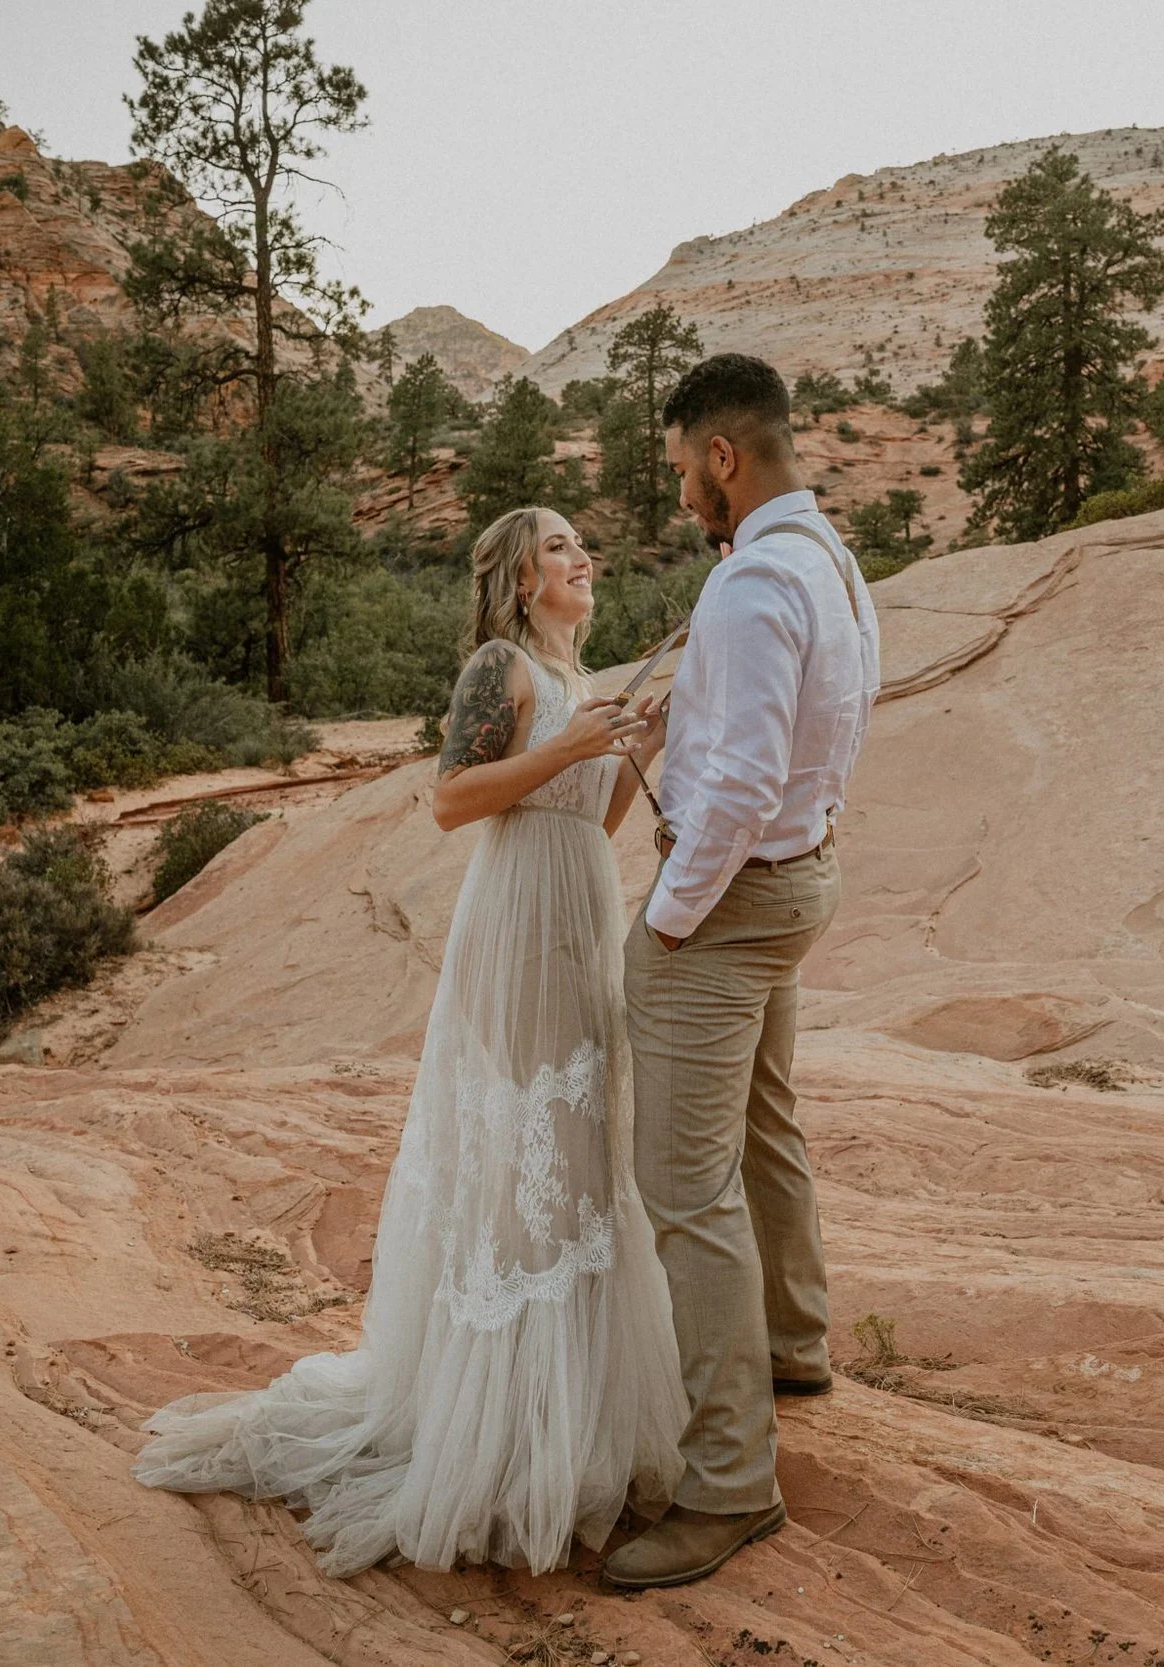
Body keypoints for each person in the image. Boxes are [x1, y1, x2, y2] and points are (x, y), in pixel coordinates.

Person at [132, 507, 689, 1577]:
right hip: (515, 922)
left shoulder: (580, 684)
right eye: (564, 547)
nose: (586, 559)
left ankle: (569, 1421)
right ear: (524, 577)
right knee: (523, 1150)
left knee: (578, 1154)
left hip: (575, 904)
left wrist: (635, 746)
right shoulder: (502, 666)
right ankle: (494, 1430)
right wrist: (573, 741)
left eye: (584, 547)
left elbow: (590, 817)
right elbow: (450, 801)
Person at [602, 355, 881, 1590]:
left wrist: (666, 919)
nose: (681, 500)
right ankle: (794, 1339)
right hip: (800, 878)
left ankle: (727, 1483)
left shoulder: (753, 583)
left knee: (683, 1185)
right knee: (766, 1121)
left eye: (681, 473)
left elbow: (738, 784)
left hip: (732, 902)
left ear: (724, 456)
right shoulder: (829, 558)